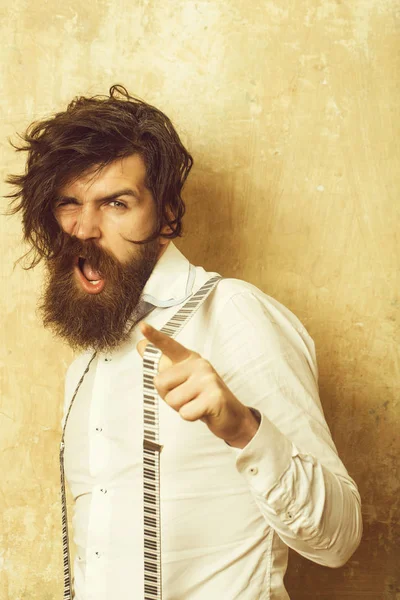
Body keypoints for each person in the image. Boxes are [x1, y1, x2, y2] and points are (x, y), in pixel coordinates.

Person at [7, 85, 362, 600]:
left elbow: (340, 539)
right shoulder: (86, 359)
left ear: (166, 213)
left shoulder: (235, 313)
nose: (84, 228)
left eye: (116, 203)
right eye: (69, 203)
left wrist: (245, 429)